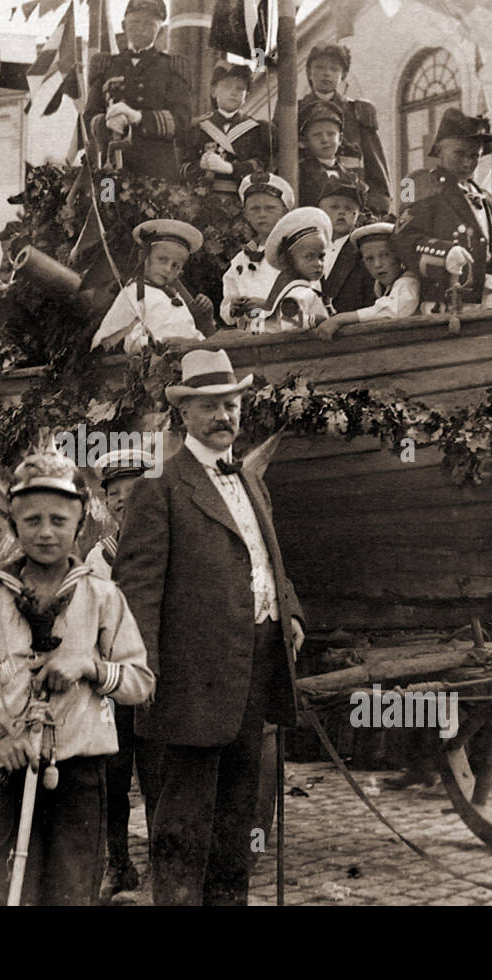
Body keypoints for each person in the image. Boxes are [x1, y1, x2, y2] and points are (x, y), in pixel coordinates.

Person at [114, 348, 305, 906]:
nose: (224, 416)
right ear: (185, 415)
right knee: (182, 824)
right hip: (187, 684)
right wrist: (142, 671)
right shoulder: (160, 485)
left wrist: (289, 611)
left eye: (231, 405)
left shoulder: (251, 480)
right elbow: (137, 589)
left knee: (236, 818)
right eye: (210, 407)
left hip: (254, 669)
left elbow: (268, 559)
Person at [0, 450, 154, 905]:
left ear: (80, 527)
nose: (45, 532)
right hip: (7, 772)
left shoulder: (102, 597)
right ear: (15, 527)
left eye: (59, 520)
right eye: (32, 520)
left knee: (72, 889)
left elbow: (140, 681)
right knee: (13, 888)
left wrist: (89, 665)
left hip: (78, 774)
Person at [87, 448, 157, 900]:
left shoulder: (167, 544)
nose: (122, 501)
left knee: (157, 776)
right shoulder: (99, 557)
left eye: (132, 492)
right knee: (113, 776)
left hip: (157, 679)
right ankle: (119, 863)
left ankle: (160, 866)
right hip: (113, 684)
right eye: (115, 494)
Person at [393, 108, 492, 312]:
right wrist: (445, 252)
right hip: (448, 300)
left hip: (489, 297)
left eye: (475, 155)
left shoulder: (482, 195)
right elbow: (403, 238)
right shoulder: (419, 183)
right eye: (459, 153)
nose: (467, 162)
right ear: (440, 151)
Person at [85, 0, 190, 181]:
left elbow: (182, 121)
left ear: (161, 30)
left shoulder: (172, 67)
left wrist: (138, 117)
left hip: (157, 173)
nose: (141, 28)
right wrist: (105, 123)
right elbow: (89, 118)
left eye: (149, 24)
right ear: (124, 25)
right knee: (106, 205)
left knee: (156, 209)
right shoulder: (106, 65)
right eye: (135, 22)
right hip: (110, 169)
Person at [91, 220, 211, 354]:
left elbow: (191, 331)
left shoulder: (175, 296)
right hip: (156, 361)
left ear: (179, 273)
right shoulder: (133, 292)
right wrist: (147, 344)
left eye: (175, 266)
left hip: (190, 357)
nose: (167, 269)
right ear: (144, 258)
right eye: (162, 259)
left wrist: (197, 341)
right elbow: (108, 336)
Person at [298, 43, 390, 215]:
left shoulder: (358, 112)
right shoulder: (294, 113)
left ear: (344, 75)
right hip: (307, 201)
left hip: (350, 203)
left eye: (334, 69)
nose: (326, 73)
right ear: (310, 72)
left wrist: (378, 201)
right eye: (319, 67)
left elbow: (374, 162)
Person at [182, 61, 274, 199]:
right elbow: (183, 169)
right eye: (227, 87)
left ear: (246, 95)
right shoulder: (198, 128)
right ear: (213, 91)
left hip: (240, 198)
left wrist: (230, 168)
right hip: (203, 199)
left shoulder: (256, 129)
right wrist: (200, 165)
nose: (233, 93)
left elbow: (260, 166)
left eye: (240, 89)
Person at [314, 222, 421, 340]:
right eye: (369, 259)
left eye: (385, 255)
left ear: (399, 256)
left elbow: (390, 310)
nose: (377, 264)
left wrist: (339, 319)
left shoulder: (409, 281)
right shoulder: (380, 286)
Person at [219, 172, 294, 330]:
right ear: (246, 214)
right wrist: (232, 308)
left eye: (270, 208)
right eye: (255, 209)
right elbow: (226, 309)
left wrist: (268, 305)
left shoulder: (295, 253)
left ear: (285, 212)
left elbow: (309, 300)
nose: (262, 214)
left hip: (284, 336)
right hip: (248, 338)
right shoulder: (242, 258)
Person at [262, 206, 333, 333]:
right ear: (291, 261)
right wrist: (319, 320)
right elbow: (290, 323)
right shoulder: (297, 292)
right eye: (308, 257)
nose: (318, 263)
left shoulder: (307, 288)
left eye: (321, 256)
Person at [317, 175, 377, 316]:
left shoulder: (361, 253)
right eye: (334, 207)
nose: (341, 212)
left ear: (357, 216)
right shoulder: (308, 247)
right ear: (320, 210)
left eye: (349, 208)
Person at [297, 102, 359, 216]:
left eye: (331, 134)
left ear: (340, 139)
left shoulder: (351, 177)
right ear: (305, 142)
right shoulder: (299, 173)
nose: (325, 140)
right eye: (317, 135)